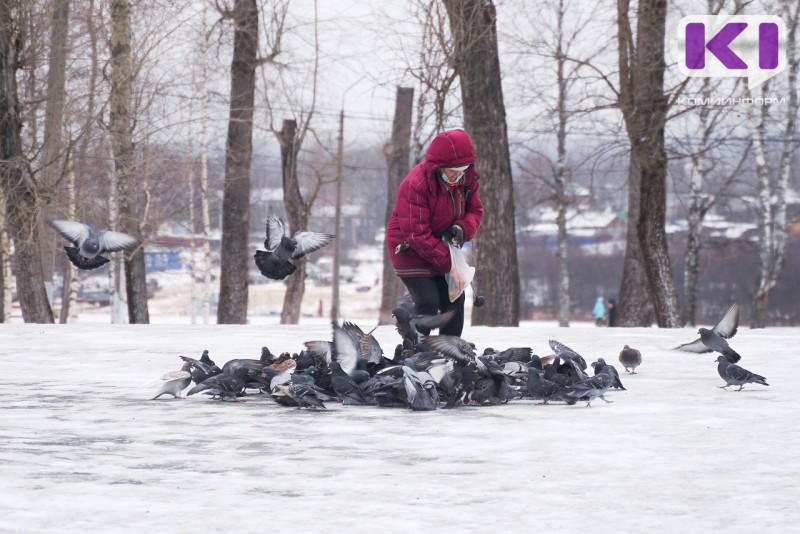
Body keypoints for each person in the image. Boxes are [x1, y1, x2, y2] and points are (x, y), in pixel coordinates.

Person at [385, 129, 483, 338]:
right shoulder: (416, 184)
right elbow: (417, 234)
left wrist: (461, 229)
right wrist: (450, 265)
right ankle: (415, 352)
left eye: (463, 169)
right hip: (410, 248)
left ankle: (449, 353)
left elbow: (475, 211)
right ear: (438, 167)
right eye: (452, 171)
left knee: (454, 300)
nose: (458, 176)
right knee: (428, 302)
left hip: (443, 245)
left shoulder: (467, 180)